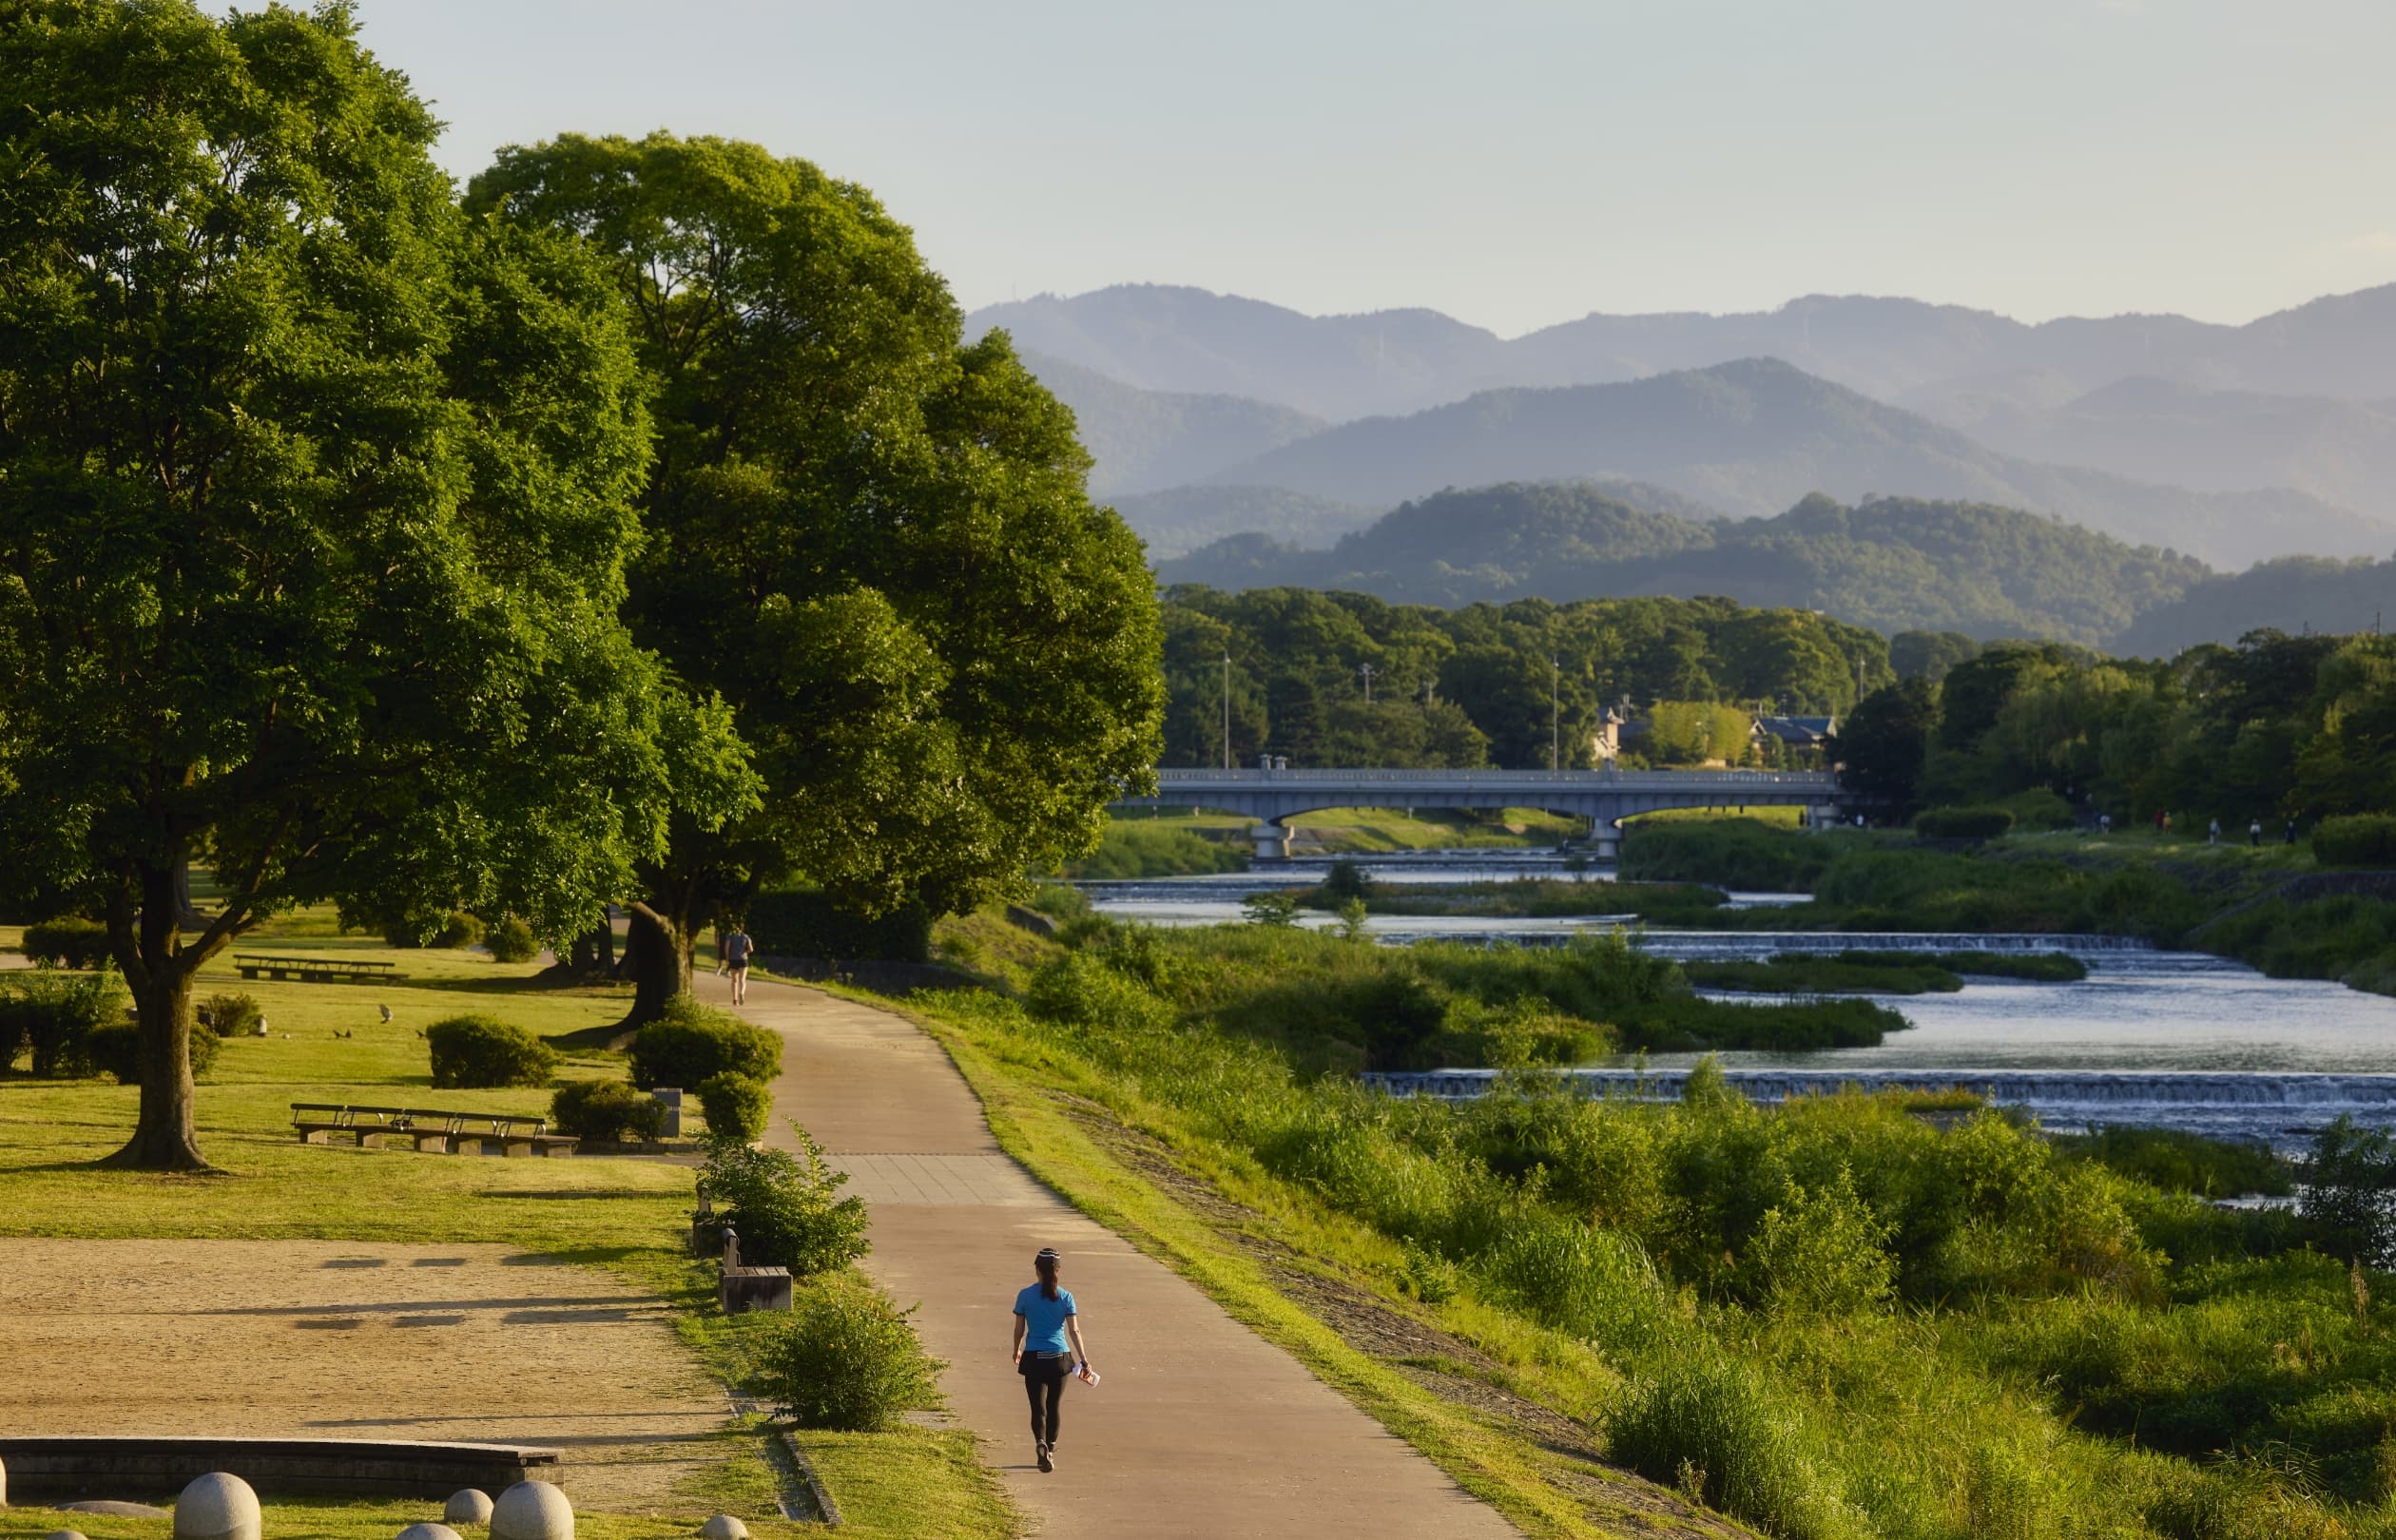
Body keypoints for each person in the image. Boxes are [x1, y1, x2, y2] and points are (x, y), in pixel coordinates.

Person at [1011, 1246, 1092, 1473]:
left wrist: (1017, 1350)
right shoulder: (1066, 1297)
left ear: (1037, 1269)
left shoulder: (1025, 1295)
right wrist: (1084, 1360)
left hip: (1034, 1357)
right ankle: (1051, 1450)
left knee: (1037, 1408)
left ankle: (1040, 1441)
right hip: (1059, 1359)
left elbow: (1019, 1330)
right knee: (1053, 1406)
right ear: (1058, 1270)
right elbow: (1074, 1331)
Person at [723, 921, 754, 1005]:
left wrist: (727, 959)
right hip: (743, 960)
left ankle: (735, 999)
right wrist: (745, 952)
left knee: (734, 980)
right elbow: (751, 949)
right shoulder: (746, 937)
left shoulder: (730, 936)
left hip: (733, 960)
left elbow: (726, 948)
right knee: (742, 979)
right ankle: (742, 993)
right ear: (742, 928)